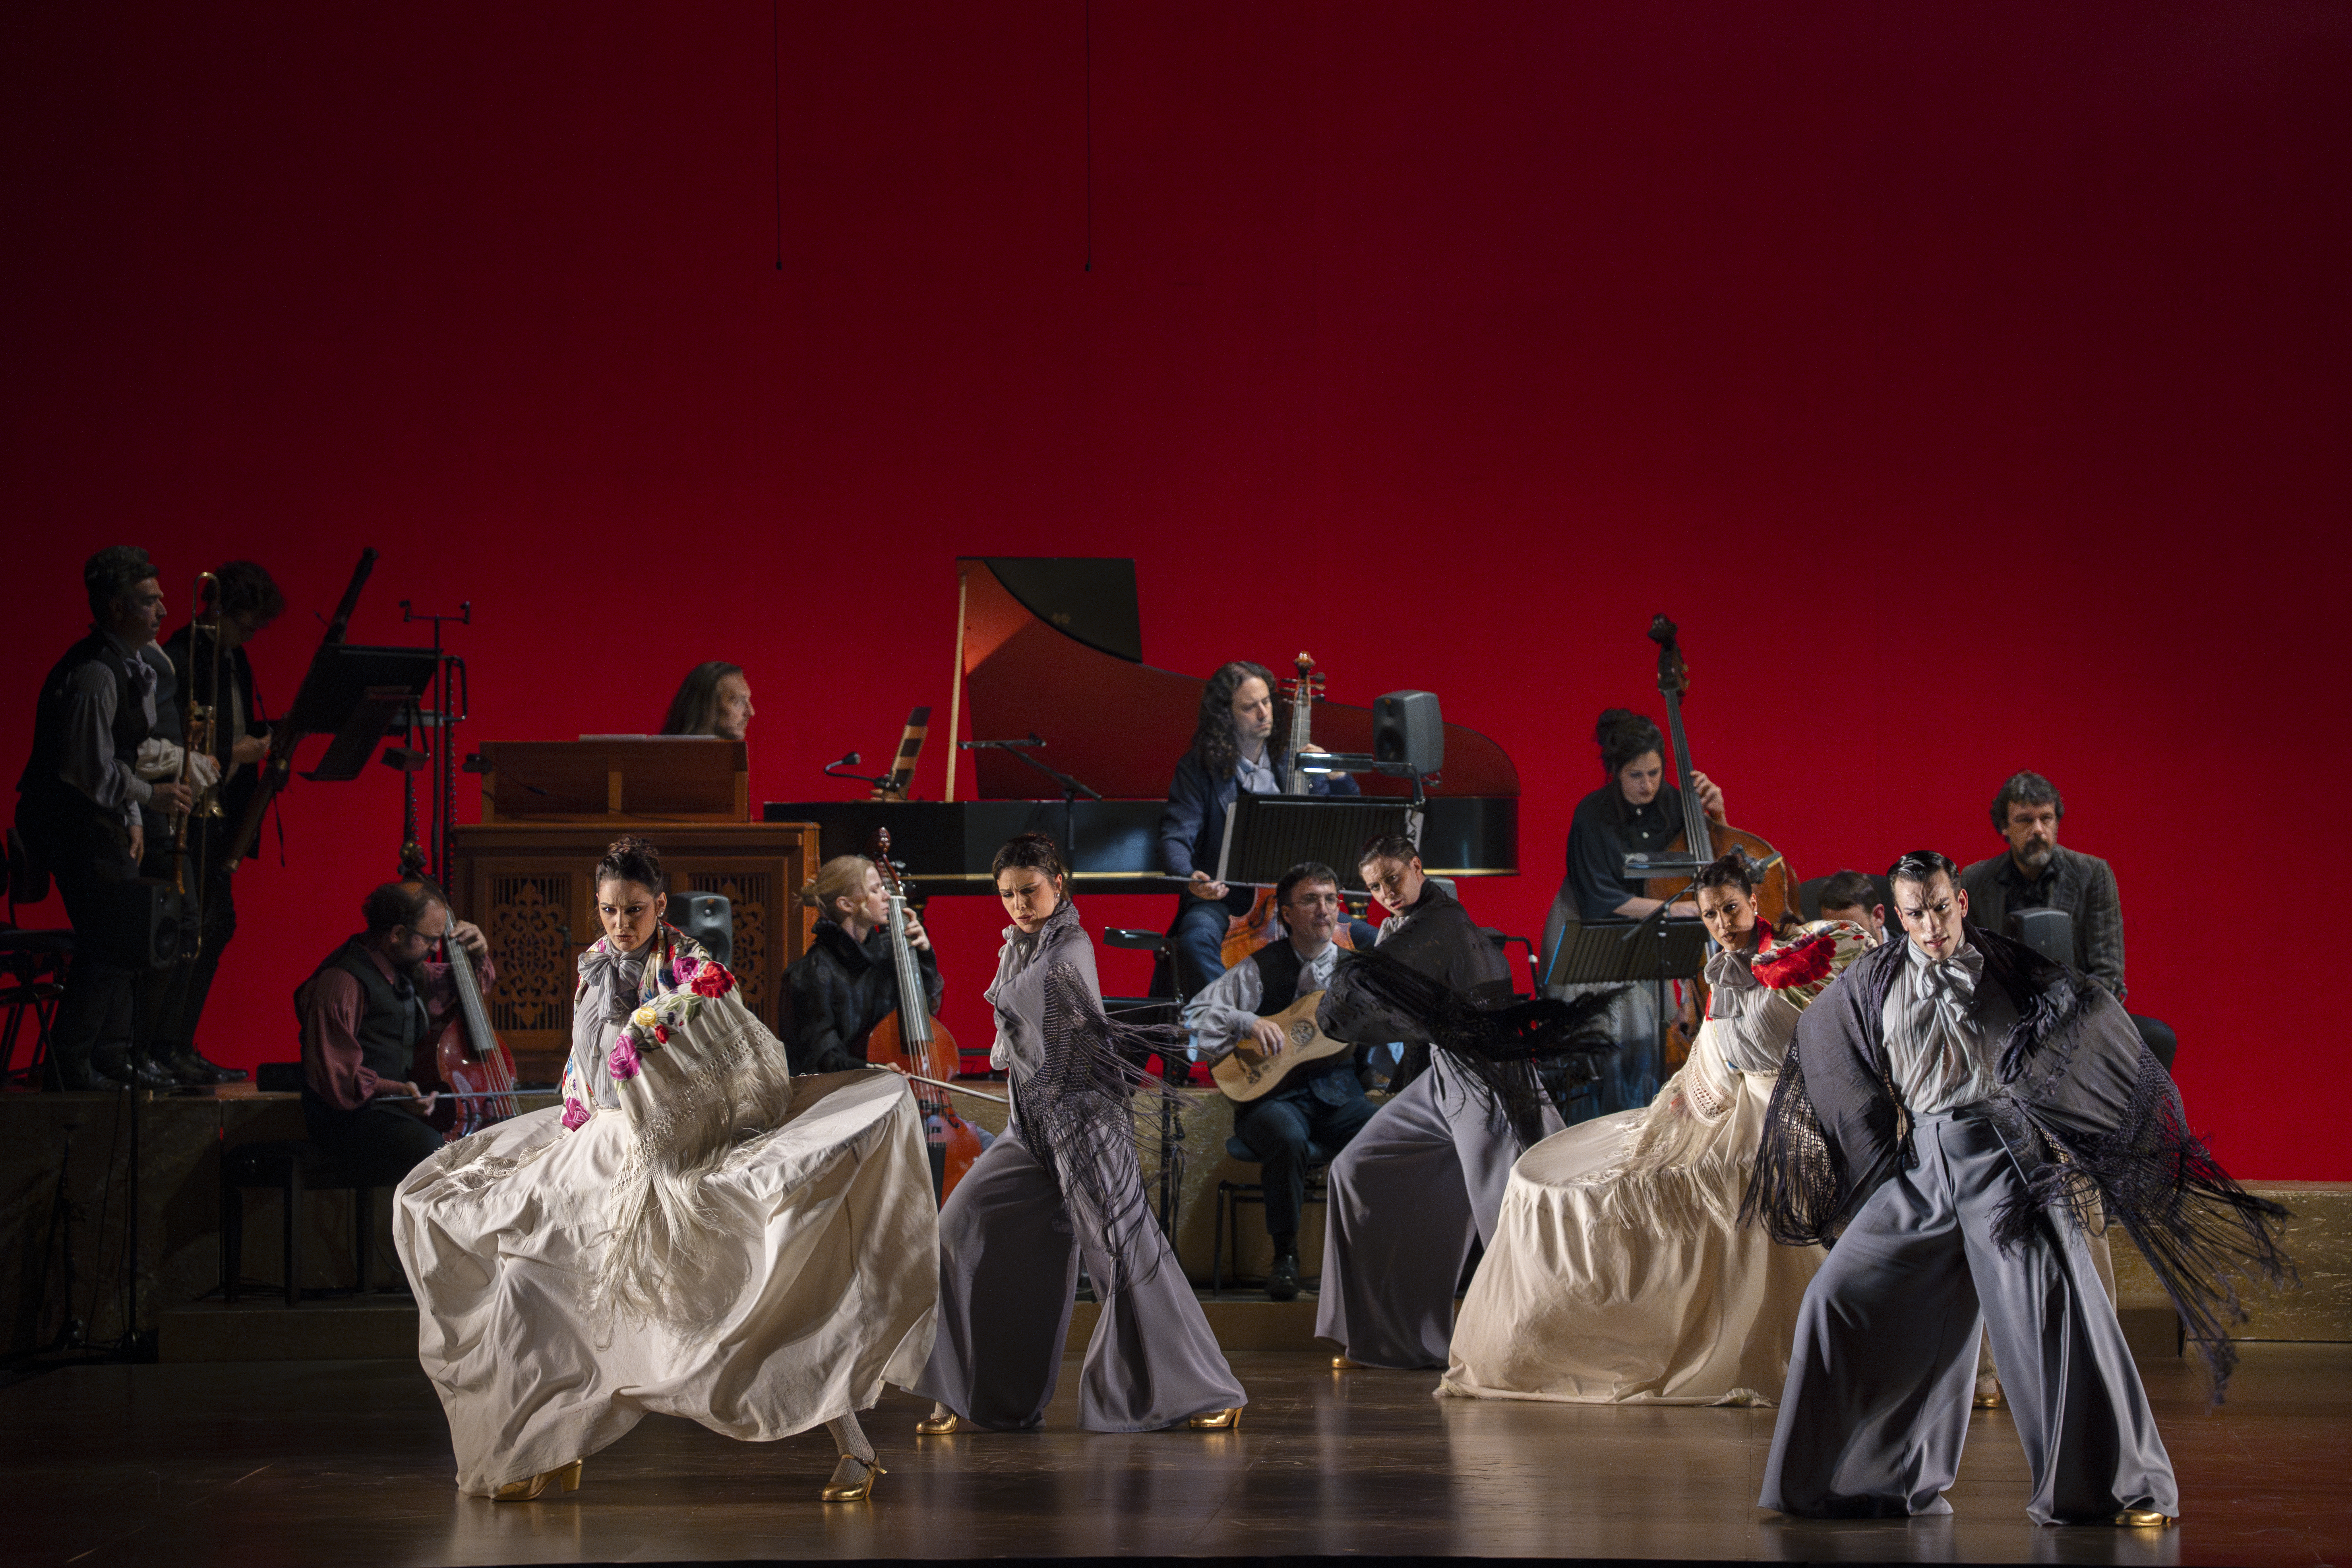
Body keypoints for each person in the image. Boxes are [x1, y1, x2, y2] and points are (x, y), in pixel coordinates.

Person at [1745, 851, 2290, 1525]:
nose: (1931, 924)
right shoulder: (1869, 983)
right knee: (1836, 1299)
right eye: (1915, 912)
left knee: (2053, 1316)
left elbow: (2091, 1024)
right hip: (1920, 1171)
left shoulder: (2009, 968)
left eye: (1940, 907)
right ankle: (1849, 1482)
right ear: (1892, 916)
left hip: (2004, 1163)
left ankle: (2114, 1489)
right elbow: (1825, 1055)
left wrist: (2072, 1133)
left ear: (1960, 902)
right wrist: (1872, 1160)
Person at [395, 836, 937, 1503]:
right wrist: (577, 1104)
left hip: (679, 1149)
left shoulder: (694, 970)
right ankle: (542, 1447)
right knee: (532, 1281)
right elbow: (584, 1057)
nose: (620, 924)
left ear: (658, 906)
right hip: (599, 1144)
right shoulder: (594, 963)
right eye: (609, 910)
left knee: (743, 1311)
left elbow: (724, 1054)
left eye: (633, 911)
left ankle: (854, 1444)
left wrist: (643, 1038)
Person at [1442, 854, 1867, 1405]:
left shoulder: (1797, 955)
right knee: (1570, 1172)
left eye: (1730, 909)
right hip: (1728, 1107)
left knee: (1730, 1180)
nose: (1721, 923)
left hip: (1787, 1108)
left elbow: (1849, 980)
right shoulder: (1720, 966)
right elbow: (1713, 1057)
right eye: (1710, 914)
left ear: (1754, 901)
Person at [913, 832, 1246, 1434]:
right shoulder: (1018, 945)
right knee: (956, 1227)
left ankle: (1199, 1389)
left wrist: (1005, 1005)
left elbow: (1053, 1021)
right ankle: (972, 1392)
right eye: (1008, 894)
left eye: (1030, 890)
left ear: (1058, 883)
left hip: (1083, 1127)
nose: (1018, 903)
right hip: (1028, 1128)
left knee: (1125, 1253)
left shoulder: (1070, 949)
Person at [1314, 834, 1565, 1371]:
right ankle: (1385, 1336)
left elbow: (1356, 1003)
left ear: (1417, 867)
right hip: (1442, 1075)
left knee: (1504, 1212)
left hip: (1484, 1078)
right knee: (1355, 1167)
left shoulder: (1442, 924)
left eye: (1393, 879)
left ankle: (1534, 1348)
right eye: (1374, 886)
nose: (1386, 892)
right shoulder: (1403, 927)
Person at [14, 547, 192, 1090]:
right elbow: (87, 770)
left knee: (124, 935)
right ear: (116, 608)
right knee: (109, 937)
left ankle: (111, 1056)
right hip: (68, 821)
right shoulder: (96, 674)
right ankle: (72, 1064)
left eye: (161, 598)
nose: (163, 611)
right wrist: (152, 796)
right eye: (148, 601)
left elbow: (119, 754)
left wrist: (133, 813)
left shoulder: (129, 666)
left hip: (97, 816)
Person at [1181, 861, 1381, 1302]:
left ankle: (1375, 1255)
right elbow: (1193, 1015)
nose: (1324, 910)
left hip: (1338, 1095)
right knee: (1288, 1137)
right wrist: (1244, 1020)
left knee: (1388, 1135)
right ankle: (1285, 1257)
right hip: (1270, 1097)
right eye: (1311, 900)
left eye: (1331, 899)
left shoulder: (1356, 974)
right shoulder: (1259, 967)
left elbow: (1388, 1041)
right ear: (1286, 914)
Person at [1542, 708, 1727, 1117]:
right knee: (1614, 1032)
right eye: (1636, 776)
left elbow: (1712, 867)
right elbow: (1600, 898)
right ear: (1615, 772)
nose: (1648, 785)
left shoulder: (1677, 804)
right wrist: (1676, 908)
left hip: (1654, 927)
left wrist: (1717, 815)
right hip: (1594, 927)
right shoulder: (1592, 814)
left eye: (1655, 773)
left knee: (1650, 1032)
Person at [139, 561, 282, 1086]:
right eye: (246, 623)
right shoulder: (182, 656)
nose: (250, 636)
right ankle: (155, 1045)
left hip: (221, 812)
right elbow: (168, 737)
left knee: (214, 927)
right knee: (186, 931)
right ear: (220, 608)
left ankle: (178, 1044)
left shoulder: (231, 657)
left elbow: (238, 722)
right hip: (185, 812)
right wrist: (233, 749)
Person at [1157, 661, 1357, 999]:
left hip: (1299, 898)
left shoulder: (1294, 761)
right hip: (1229, 898)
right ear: (1226, 716)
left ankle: (1354, 1040)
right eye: (1250, 707)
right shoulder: (1198, 768)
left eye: (1266, 702)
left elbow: (1343, 818)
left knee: (1370, 941)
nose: (1264, 713)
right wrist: (1192, 879)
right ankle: (1230, 1020)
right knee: (1196, 936)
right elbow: (1176, 836)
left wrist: (1338, 776)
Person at [293, 880, 492, 1183]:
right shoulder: (343, 981)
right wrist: (397, 1091)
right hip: (350, 1121)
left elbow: (464, 990)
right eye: (429, 940)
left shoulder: (406, 968)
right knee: (433, 1152)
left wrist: (476, 954)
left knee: (479, 1146)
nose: (437, 948)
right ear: (398, 934)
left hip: (396, 1111)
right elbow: (336, 1076)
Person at [1958, 770, 2125, 1000]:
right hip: (2006, 1015)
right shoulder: (1975, 880)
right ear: (2005, 826)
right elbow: (1968, 965)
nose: (2038, 830)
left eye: (2046, 818)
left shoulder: (2093, 874)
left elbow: (2108, 973)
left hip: (2080, 1013)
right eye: (2026, 820)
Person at [782, 854, 944, 1075]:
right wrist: (872, 1071)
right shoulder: (811, 974)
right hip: (837, 1098)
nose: (887, 896)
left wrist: (924, 956)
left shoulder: (886, 959)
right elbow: (822, 1060)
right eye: (875, 890)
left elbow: (923, 1013)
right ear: (846, 904)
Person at [659, 661, 755, 741]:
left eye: (748, 701)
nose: (751, 712)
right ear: (706, 706)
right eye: (738, 702)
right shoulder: (663, 760)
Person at [1814, 868, 1886, 945]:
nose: (1844, 942)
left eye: (1853, 929)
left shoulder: (1900, 955)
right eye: (1833, 932)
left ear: (1878, 917)